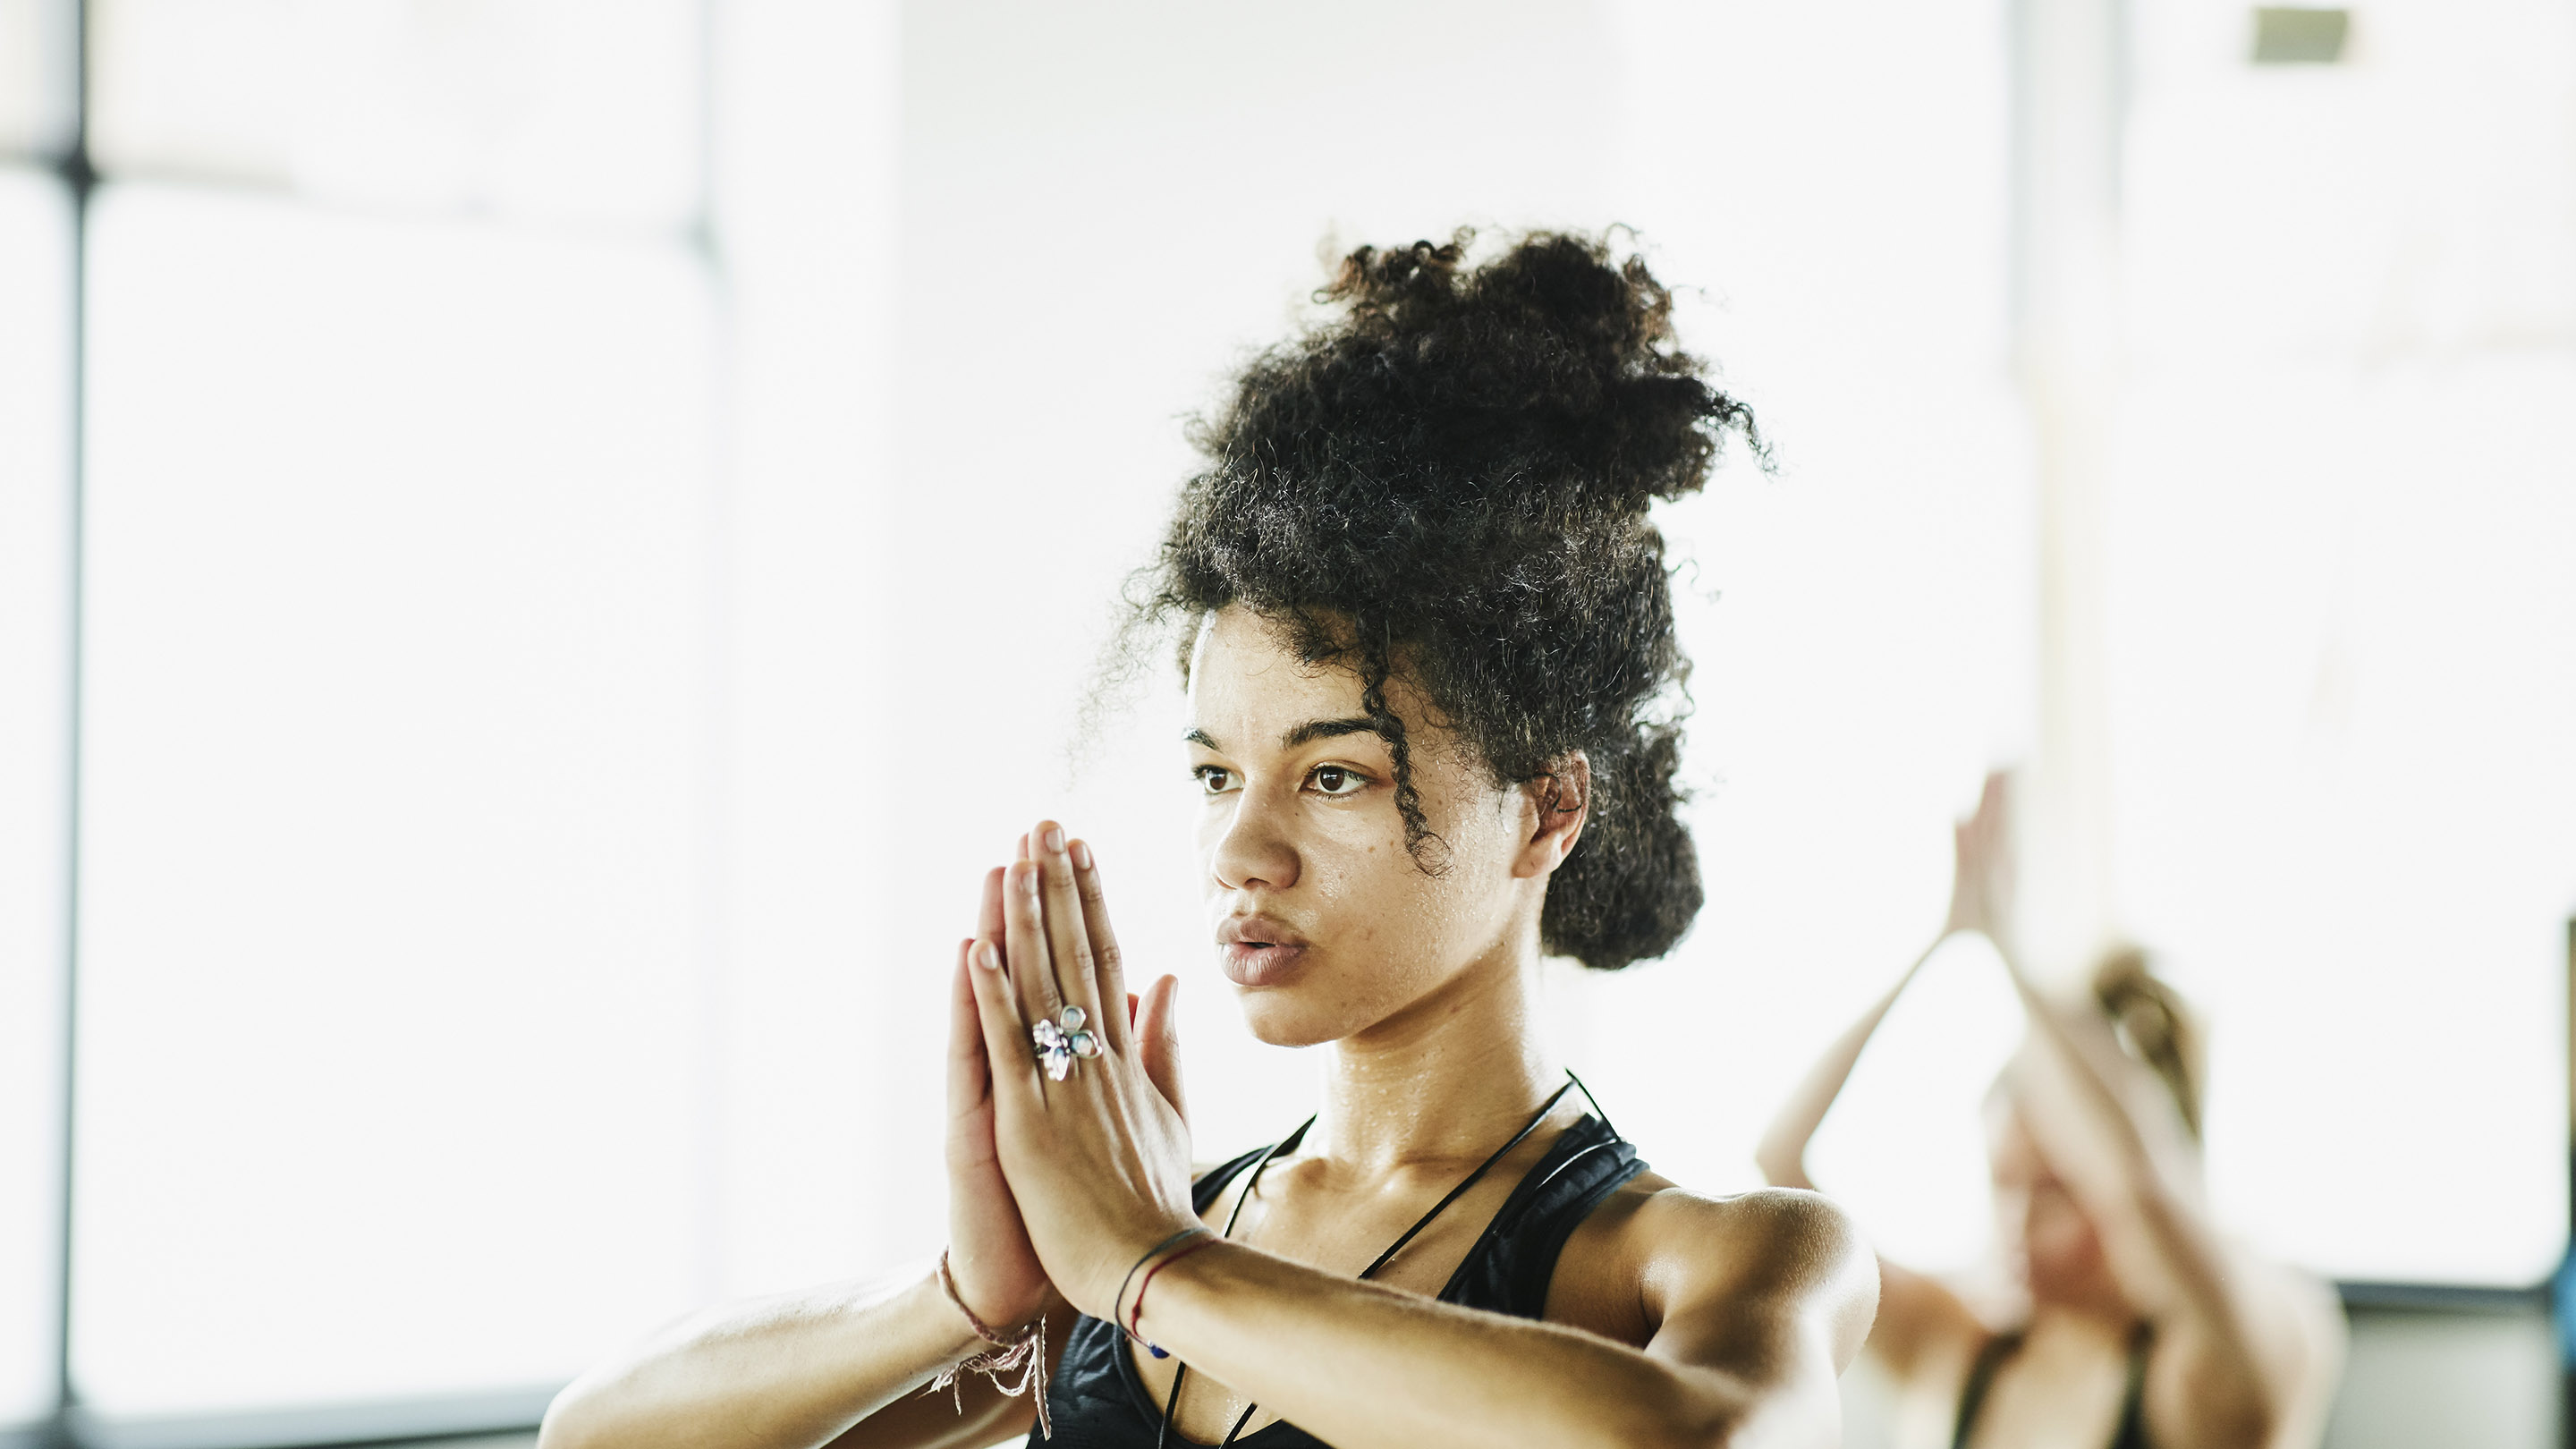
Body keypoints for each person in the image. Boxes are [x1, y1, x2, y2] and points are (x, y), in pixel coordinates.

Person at [538, 232, 1877, 1449]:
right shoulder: (1140, 1254)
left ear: (1548, 807)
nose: (1243, 849)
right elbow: (598, 1439)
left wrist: (1148, 1266)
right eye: (1215, 773)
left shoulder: (1708, 1257)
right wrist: (972, 1295)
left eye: (1337, 774)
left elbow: (1708, 1436)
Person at [1757, 773, 2344, 1449]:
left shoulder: (2222, 1364)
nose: (2017, 1223)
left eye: (2055, 1194)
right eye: (2003, 1186)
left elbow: (2144, 1184)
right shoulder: (1954, 1343)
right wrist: (1945, 939)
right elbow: (1779, 1157)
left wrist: (2011, 951)